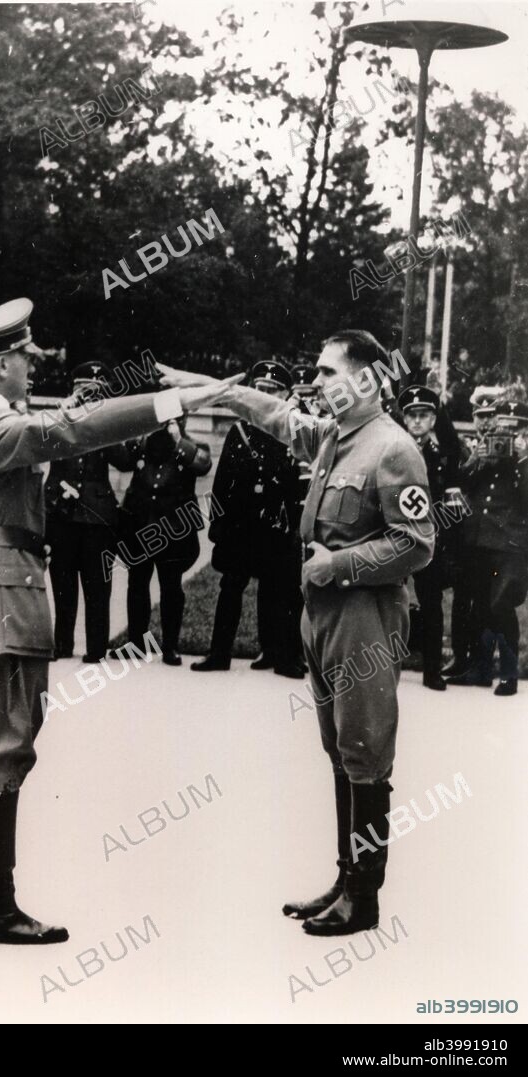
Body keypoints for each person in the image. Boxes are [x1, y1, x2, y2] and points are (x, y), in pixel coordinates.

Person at [0, 298, 238, 944]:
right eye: (25, 359)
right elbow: (73, 430)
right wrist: (171, 402)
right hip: (0, 596)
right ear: (1, 363)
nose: (32, 368)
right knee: (4, 748)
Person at [223, 329, 434, 936]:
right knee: (340, 750)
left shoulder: (393, 449)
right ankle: (346, 878)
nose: (314, 383)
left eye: (326, 372)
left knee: (365, 753)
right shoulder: (336, 438)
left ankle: (364, 900)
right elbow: (280, 417)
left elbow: (416, 544)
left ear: (365, 379)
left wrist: (335, 564)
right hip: (324, 616)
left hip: (365, 616)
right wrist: (222, 395)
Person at [192, 360, 304, 676]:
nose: (264, 395)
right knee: (231, 587)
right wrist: (218, 523)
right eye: (260, 390)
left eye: (272, 391)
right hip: (240, 525)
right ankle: (219, 654)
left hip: (276, 525)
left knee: (279, 591)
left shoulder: (293, 433)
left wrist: (293, 524)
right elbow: (222, 480)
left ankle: (280, 655)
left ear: (285, 395)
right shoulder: (239, 430)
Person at [46, 363, 132, 662]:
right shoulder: (58, 419)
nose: (86, 397)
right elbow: (37, 443)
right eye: (82, 390)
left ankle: (96, 649)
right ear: (72, 389)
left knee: (97, 585)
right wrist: (63, 414)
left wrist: (105, 419)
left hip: (96, 516)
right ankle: (62, 644)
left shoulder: (105, 422)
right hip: (62, 513)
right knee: (62, 583)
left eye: (93, 392)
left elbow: (125, 461)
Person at [448, 399, 528, 696]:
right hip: (479, 538)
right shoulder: (485, 449)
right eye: (501, 425)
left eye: (514, 426)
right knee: (480, 605)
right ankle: (481, 670)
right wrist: (477, 460)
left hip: (510, 542)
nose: (505, 433)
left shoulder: (524, 457)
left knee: (501, 604)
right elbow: (463, 486)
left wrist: (521, 460)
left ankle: (508, 674)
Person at [118, 416, 211, 667]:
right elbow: (123, 461)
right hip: (140, 524)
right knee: (137, 584)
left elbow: (203, 465)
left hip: (174, 529)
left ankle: (170, 646)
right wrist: (137, 432)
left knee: (171, 587)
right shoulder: (144, 443)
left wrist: (178, 439)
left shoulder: (190, 445)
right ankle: (136, 644)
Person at [397, 384, 465, 691]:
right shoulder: (394, 450)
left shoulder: (443, 456)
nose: (417, 422)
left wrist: (441, 537)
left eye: (423, 415)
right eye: (411, 416)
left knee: (432, 603)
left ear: (434, 419)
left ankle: (432, 670)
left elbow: (452, 502)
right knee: (389, 603)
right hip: (394, 538)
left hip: (429, 540)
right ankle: (387, 667)